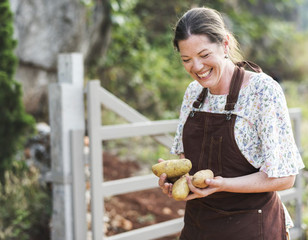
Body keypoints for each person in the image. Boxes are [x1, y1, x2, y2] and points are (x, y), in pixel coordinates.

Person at [158, 6, 304, 240]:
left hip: (252, 228)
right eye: (187, 59)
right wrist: (178, 182)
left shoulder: (262, 91)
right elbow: (187, 161)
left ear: (225, 44)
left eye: (204, 55)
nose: (196, 67)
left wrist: (223, 184)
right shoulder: (194, 93)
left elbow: (285, 178)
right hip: (199, 227)